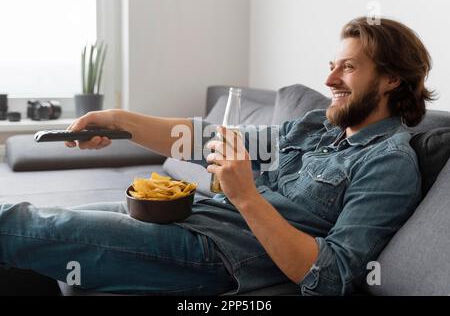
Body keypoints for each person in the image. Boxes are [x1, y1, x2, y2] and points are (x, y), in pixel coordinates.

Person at [0, 16, 434, 296]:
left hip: (213, 254)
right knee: (33, 230)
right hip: (192, 218)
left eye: (348, 68)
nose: (329, 78)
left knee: (19, 225)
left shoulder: (387, 162)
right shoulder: (316, 127)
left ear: (392, 78)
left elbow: (332, 276)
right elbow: (207, 139)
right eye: (333, 64)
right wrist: (117, 120)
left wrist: (247, 196)